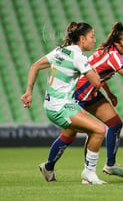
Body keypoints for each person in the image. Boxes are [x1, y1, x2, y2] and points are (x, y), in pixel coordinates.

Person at [42, 22, 123, 178]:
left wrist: (109, 92)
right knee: (70, 135)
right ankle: (55, 167)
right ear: (117, 42)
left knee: (115, 124)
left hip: (92, 92)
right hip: (78, 93)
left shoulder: (106, 50)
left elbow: (97, 72)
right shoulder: (113, 55)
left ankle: (110, 165)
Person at [21, 22, 107, 184]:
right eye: (92, 36)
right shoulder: (78, 56)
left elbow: (35, 66)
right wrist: (93, 64)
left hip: (57, 104)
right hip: (60, 107)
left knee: (69, 134)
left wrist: (28, 92)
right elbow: (96, 83)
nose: (94, 40)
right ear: (82, 39)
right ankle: (88, 173)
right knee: (99, 130)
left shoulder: (60, 51)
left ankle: (49, 167)